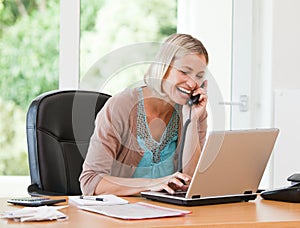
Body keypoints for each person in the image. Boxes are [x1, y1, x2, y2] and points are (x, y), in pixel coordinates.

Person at [79, 33, 209, 196]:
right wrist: (153, 184)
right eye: (184, 71)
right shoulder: (121, 106)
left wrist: (192, 121)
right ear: (163, 66)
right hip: (121, 213)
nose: (192, 83)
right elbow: (90, 182)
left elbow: (192, 182)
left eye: (199, 76)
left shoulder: (194, 111)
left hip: (171, 214)